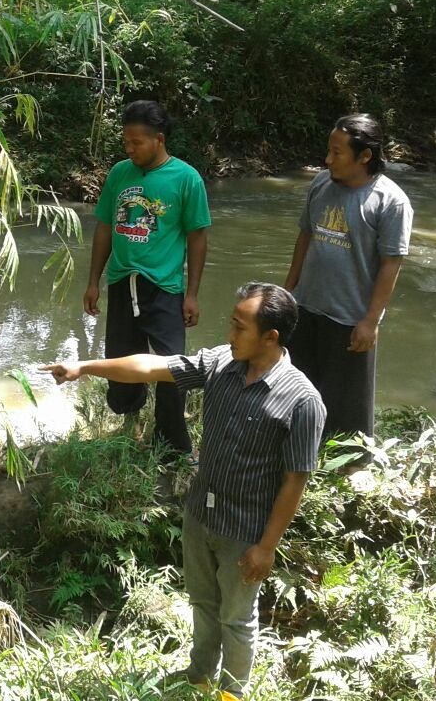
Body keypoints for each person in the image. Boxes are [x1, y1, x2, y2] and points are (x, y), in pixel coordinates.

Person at [42, 282, 325, 699]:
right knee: (203, 605)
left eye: (239, 327)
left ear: (271, 337)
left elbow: (294, 481)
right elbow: (150, 366)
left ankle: (232, 694)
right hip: (200, 515)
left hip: (244, 529)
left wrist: (267, 546)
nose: (230, 335)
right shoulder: (220, 365)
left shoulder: (302, 401)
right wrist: (85, 367)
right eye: (231, 324)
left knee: (237, 618)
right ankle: (198, 677)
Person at [84, 100, 211, 457]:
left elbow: (197, 236)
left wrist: (193, 293)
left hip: (165, 287)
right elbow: (106, 228)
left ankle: (171, 444)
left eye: (136, 142)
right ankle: (127, 430)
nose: (129, 148)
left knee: (172, 367)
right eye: (126, 142)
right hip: (123, 281)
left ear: (158, 139)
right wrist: (94, 280)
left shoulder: (186, 178)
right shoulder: (119, 174)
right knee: (121, 360)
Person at [283, 113, 413, 438]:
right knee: (297, 392)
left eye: (337, 153)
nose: (328, 160)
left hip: (349, 318)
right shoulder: (320, 183)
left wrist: (370, 321)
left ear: (364, 156)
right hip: (306, 306)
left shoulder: (390, 202)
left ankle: (351, 468)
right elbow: (305, 236)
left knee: (347, 411)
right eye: (329, 150)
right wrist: (289, 291)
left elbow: (391, 264)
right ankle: (298, 450)